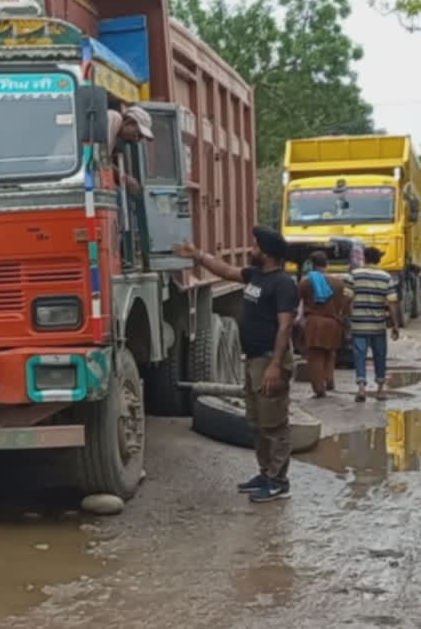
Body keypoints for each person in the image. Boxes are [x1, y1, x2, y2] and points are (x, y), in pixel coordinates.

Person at [173, 226, 298, 502]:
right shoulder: (255, 276)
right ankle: (265, 474)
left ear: (266, 253)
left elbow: (285, 326)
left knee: (274, 423)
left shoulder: (283, 284)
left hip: (269, 358)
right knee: (255, 421)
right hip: (254, 359)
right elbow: (225, 271)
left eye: (255, 246)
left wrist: (276, 365)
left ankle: (278, 481)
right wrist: (198, 255)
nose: (251, 249)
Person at [348, 246, 400, 402]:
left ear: (365, 258)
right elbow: (392, 303)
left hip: (358, 324)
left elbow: (348, 298)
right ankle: (380, 390)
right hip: (378, 326)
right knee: (380, 356)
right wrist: (395, 325)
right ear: (379, 259)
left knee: (359, 356)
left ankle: (362, 388)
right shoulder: (386, 277)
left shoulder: (354, 275)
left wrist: (346, 315)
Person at [297, 250, 353, 398]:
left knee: (315, 356)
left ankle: (319, 389)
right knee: (330, 353)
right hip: (334, 324)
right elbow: (347, 304)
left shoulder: (306, 282)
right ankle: (330, 381)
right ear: (326, 263)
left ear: (312, 265)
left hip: (314, 324)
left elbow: (296, 303)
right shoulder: (339, 283)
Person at [106, 105, 154, 198]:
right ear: (129, 122)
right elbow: (101, 160)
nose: (136, 139)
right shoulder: (114, 118)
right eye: (138, 134)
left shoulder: (116, 136)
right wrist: (125, 178)